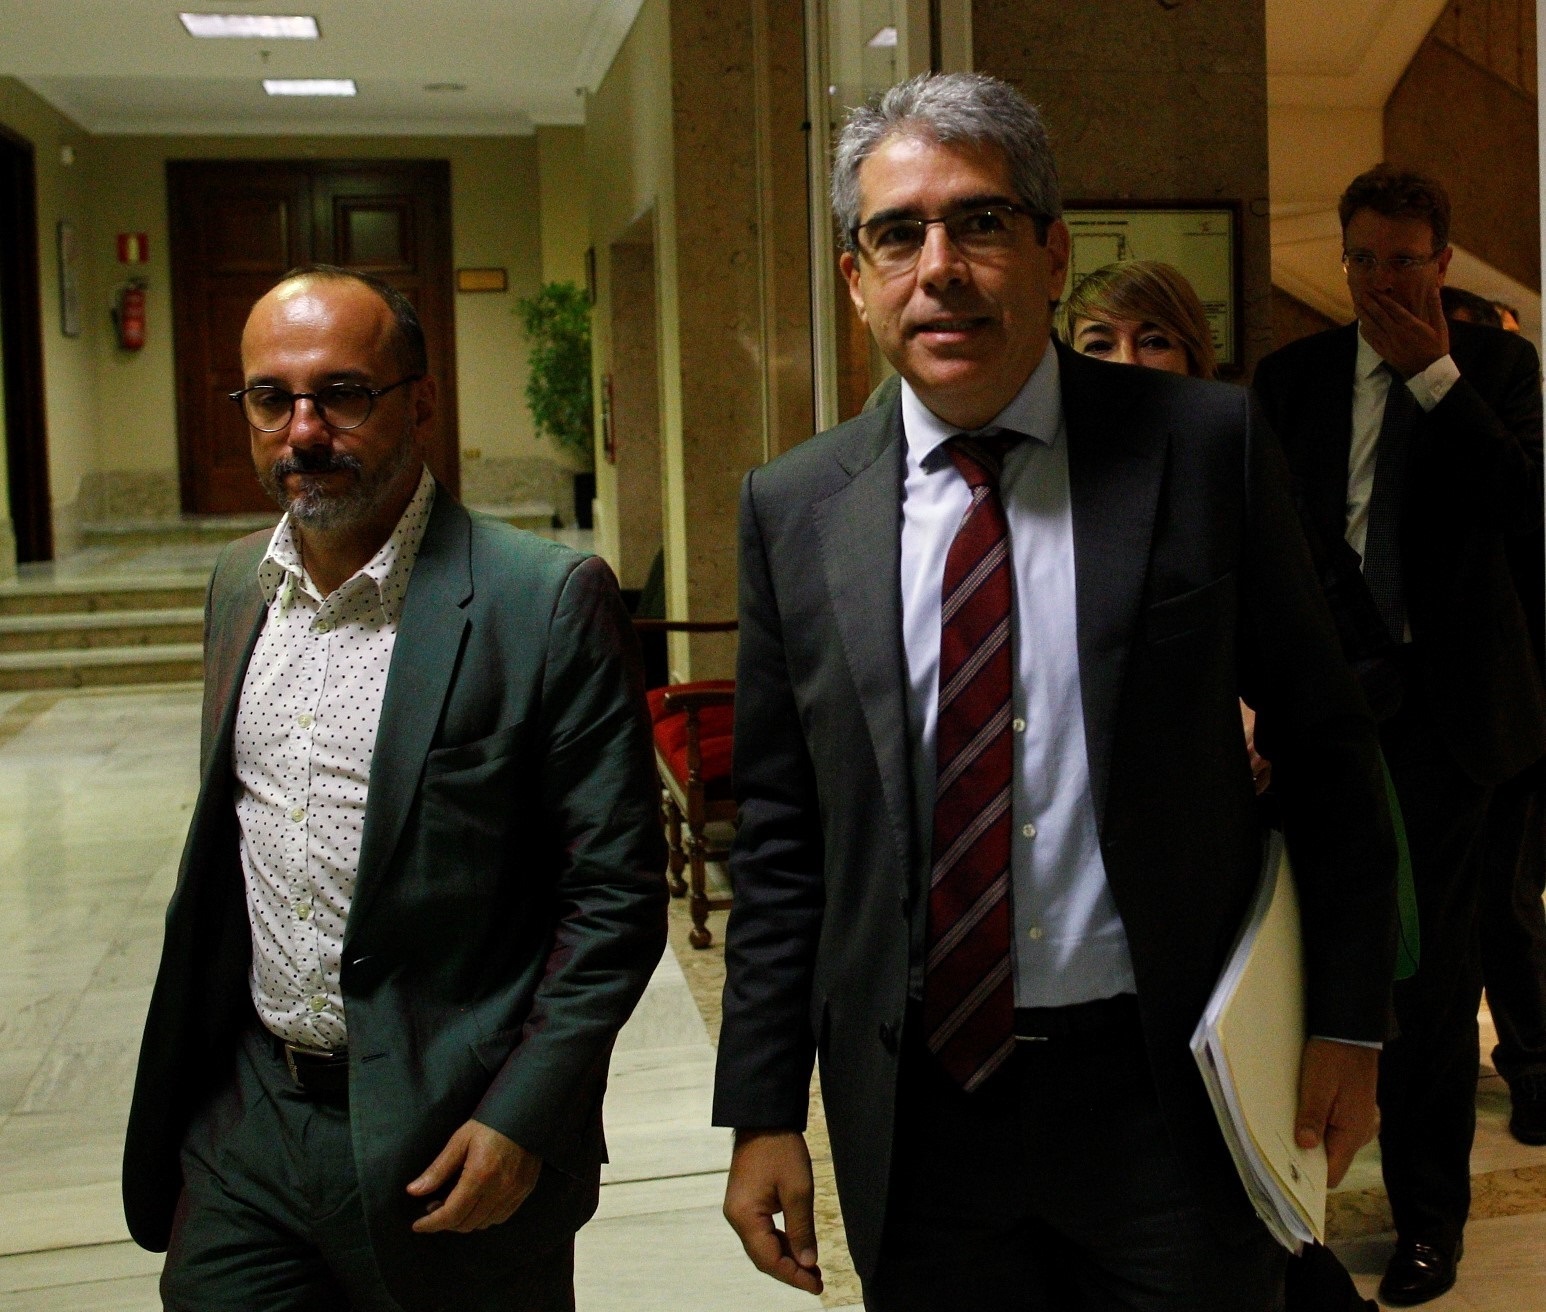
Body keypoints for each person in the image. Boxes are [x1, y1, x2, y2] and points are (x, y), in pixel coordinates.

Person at [713, 71, 1396, 1311]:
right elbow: (782, 833)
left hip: (1165, 1094)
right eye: (897, 234)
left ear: (1051, 252)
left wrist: (1347, 1020)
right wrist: (762, 1106)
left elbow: (1326, 741)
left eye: (979, 222)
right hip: (923, 1115)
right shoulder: (794, 509)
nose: (940, 267)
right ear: (855, 278)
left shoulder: (1204, 446)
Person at [122, 266, 669, 1311]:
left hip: (449, 1136)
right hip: (250, 1126)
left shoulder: (542, 601)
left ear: (420, 401)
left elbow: (614, 899)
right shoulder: (238, 586)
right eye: (271, 398)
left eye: (343, 394)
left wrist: (524, 1115)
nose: (303, 431)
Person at [1063, 259, 1384, 1312]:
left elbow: (1330, 663)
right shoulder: (1043, 487)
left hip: (1243, 903)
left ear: (1196, 356)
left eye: (1152, 339)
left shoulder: (1235, 458)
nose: (1126, 362)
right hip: (1097, 937)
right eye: (1099, 342)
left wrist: (1259, 721)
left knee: (1249, 1177)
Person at [1254, 166, 1545, 1306]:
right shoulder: (1293, 379)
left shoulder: (1496, 372)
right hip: (1321, 710)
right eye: (1363, 260)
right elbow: (1269, 540)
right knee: (1306, 969)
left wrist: (1433, 373)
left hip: (1448, 724)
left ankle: (1430, 1221)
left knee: (1432, 984)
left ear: (1443, 261)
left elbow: (1522, 510)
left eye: (1404, 261)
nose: (1381, 282)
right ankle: (1295, 1218)